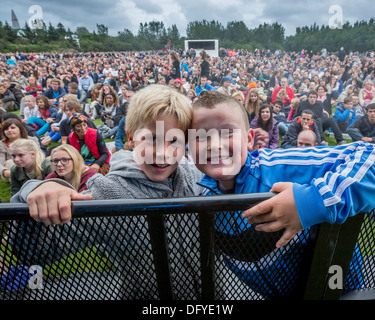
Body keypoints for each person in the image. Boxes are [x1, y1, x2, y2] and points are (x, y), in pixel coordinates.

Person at [10, 84, 205, 300]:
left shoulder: (197, 176)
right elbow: (35, 252)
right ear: (130, 138)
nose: (163, 153)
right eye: (151, 139)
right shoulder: (107, 191)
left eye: (175, 140)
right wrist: (33, 189)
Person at [189, 91, 375, 298]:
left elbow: (369, 154)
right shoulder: (201, 195)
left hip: (340, 291)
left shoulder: (276, 166)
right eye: (201, 136)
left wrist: (311, 201)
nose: (214, 144)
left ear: (250, 139)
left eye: (227, 133)